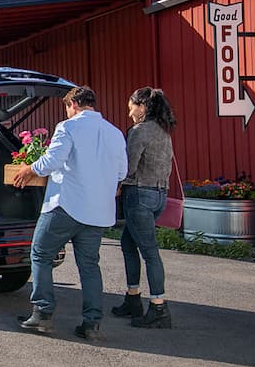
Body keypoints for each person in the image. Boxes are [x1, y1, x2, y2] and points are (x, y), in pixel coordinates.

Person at [12, 86, 127, 341]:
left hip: (66, 206)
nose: (67, 112)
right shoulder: (115, 133)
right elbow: (121, 173)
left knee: (40, 253)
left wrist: (29, 168)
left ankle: (42, 314)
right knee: (89, 266)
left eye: (67, 107)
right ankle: (92, 324)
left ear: (73, 104)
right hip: (98, 212)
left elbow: (52, 161)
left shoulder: (68, 127)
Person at [111, 87, 176, 329]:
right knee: (128, 243)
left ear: (143, 107)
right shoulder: (163, 132)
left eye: (131, 108)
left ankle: (159, 307)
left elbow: (128, 167)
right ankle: (132, 298)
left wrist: (114, 182)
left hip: (139, 195)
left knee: (149, 252)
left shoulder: (139, 132)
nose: (129, 114)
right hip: (159, 195)